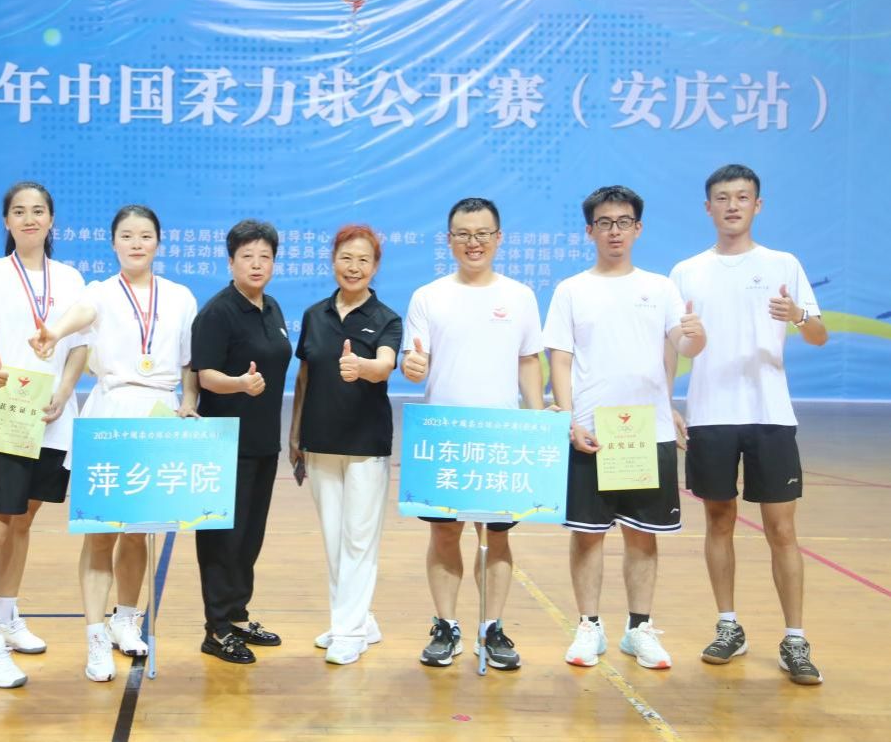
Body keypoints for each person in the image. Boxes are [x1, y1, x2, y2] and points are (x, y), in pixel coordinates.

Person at [668, 164, 828, 685]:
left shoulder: (783, 263)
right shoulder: (686, 271)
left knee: (782, 529)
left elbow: (819, 335)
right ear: (708, 207)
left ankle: (795, 640)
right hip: (710, 414)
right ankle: (728, 626)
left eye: (742, 197)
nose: (732, 205)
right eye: (722, 197)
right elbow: (671, 345)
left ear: (757, 205)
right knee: (719, 522)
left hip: (770, 414)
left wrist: (798, 315)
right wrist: (667, 402)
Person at [29, 204, 199, 682]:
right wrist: (54, 331)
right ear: (113, 243)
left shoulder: (180, 297)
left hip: (160, 413)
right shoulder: (99, 292)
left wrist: (188, 401)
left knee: (139, 530)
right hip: (110, 412)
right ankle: (95, 635)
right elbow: (79, 316)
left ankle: (126, 619)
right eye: (127, 235)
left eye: (145, 235)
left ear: (158, 242)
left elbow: (190, 361)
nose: (136, 243)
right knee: (101, 531)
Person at [543, 185, 705, 671]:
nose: (614, 231)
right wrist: (570, 419)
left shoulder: (660, 288)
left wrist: (696, 337)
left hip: (646, 432)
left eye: (623, 222)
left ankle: (639, 629)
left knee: (642, 535)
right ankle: (589, 626)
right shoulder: (572, 289)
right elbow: (560, 358)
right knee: (588, 534)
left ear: (638, 228)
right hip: (593, 431)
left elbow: (683, 345)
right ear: (589, 230)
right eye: (605, 223)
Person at [401, 198, 543, 671]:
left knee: (495, 537)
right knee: (445, 534)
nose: (473, 242)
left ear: (499, 238)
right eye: (463, 234)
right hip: (445, 436)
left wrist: (537, 419)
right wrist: (413, 366)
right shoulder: (428, 296)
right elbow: (415, 362)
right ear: (449, 241)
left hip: (500, 437)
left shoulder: (520, 295)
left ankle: (492, 628)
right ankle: (446, 625)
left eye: (482, 233)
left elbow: (528, 360)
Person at [0, 181, 89, 688]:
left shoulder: (71, 278)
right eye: (19, 211)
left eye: (38, 210)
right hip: (9, 413)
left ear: (52, 219)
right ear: (6, 221)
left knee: (23, 518)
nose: (29, 218)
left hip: (54, 416)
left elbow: (79, 345)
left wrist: (64, 390)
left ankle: (7, 617)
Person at [289, 225, 402, 665]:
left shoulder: (386, 318)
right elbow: (304, 377)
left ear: (376, 267)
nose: (354, 267)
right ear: (333, 260)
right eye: (346, 258)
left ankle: (350, 631)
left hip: (365, 444)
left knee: (359, 539)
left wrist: (362, 367)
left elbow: (386, 366)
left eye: (363, 260)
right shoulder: (314, 314)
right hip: (319, 442)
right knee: (335, 538)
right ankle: (354, 620)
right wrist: (295, 434)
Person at [191, 219, 292, 664]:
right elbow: (204, 375)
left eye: (264, 256)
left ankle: (236, 615)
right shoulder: (218, 312)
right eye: (247, 256)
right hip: (223, 441)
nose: (256, 264)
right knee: (221, 537)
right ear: (230, 261)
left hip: (262, 441)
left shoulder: (272, 308)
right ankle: (216, 628)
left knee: (249, 536)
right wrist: (239, 384)